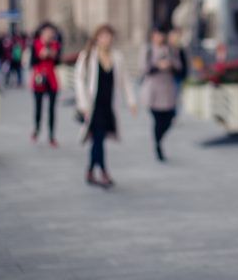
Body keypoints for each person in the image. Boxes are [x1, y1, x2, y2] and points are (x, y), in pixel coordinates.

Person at [74, 25, 137, 187]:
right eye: (103, 36)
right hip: (92, 106)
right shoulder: (88, 56)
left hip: (109, 105)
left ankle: (89, 171)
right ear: (97, 37)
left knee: (98, 139)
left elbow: (125, 81)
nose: (106, 39)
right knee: (99, 138)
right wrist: (83, 104)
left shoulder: (117, 57)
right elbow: (79, 80)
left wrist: (131, 102)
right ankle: (103, 172)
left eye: (109, 36)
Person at [140, 25, 182, 162]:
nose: (159, 37)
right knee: (158, 119)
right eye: (157, 34)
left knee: (169, 118)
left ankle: (159, 139)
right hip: (153, 90)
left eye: (161, 34)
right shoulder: (147, 50)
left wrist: (170, 64)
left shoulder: (170, 49)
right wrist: (158, 65)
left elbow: (179, 66)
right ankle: (157, 144)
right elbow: (143, 68)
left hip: (168, 89)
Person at [30, 23, 61, 147]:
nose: (49, 36)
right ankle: (36, 129)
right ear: (42, 34)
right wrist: (40, 55)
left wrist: (53, 55)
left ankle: (51, 135)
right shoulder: (36, 45)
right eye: (47, 33)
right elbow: (32, 62)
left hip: (51, 79)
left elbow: (58, 61)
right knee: (38, 107)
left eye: (51, 33)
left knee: (52, 109)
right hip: (39, 78)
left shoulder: (56, 45)